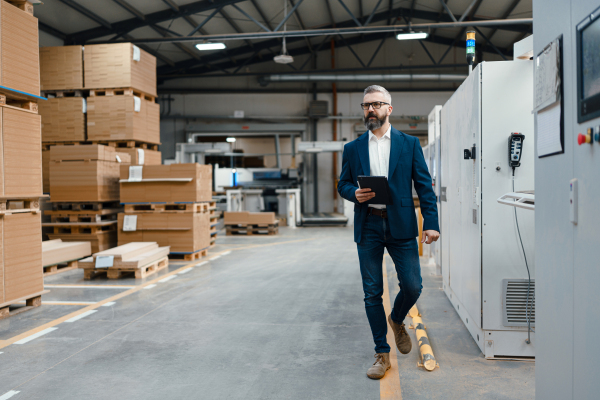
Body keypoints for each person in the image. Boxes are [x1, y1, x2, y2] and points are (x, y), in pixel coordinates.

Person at [337, 85, 440, 380]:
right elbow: (342, 183)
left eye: (377, 104)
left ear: (389, 109)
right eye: (366, 105)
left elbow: (424, 186)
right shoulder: (353, 148)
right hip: (368, 224)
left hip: (401, 224)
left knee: (412, 285)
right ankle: (382, 353)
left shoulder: (409, 144)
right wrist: (352, 193)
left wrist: (430, 222)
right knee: (372, 293)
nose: (371, 109)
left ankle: (396, 319)